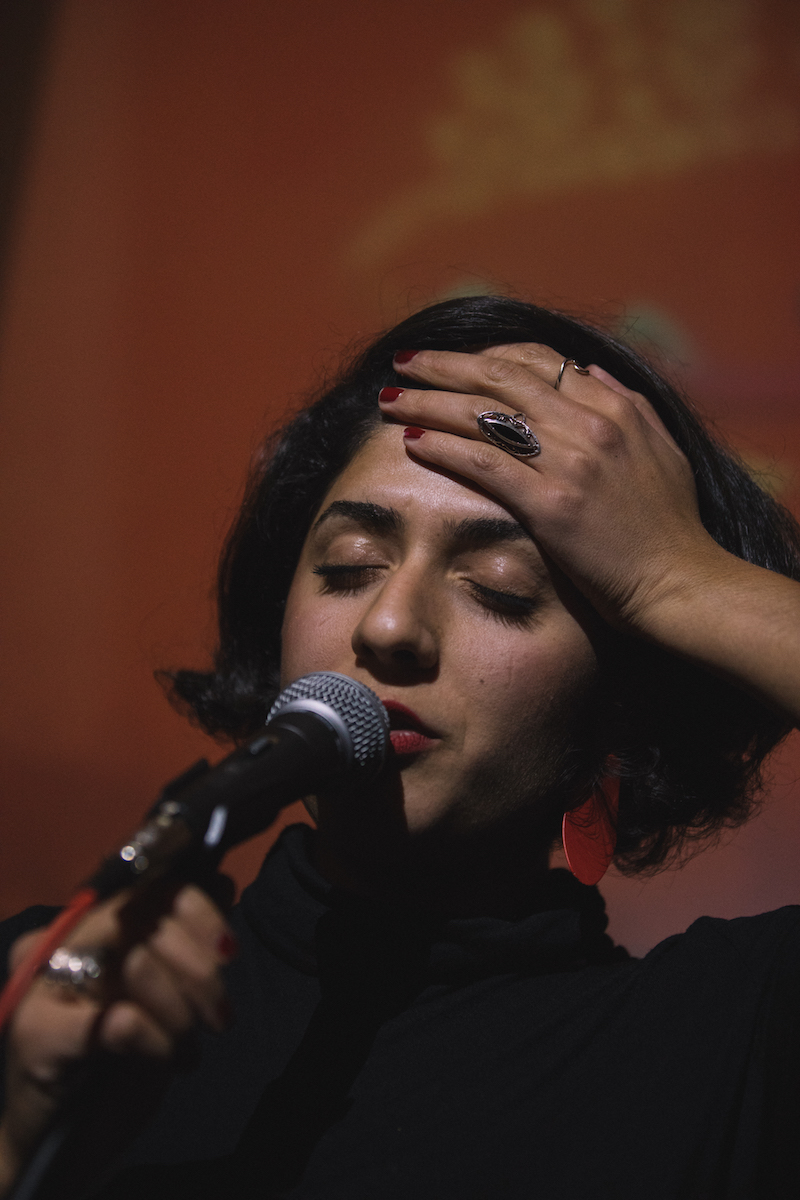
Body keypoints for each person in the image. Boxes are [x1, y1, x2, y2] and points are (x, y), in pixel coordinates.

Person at [2, 295, 800, 1199]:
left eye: (501, 588)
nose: (387, 625)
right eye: (348, 568)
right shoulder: (52, 1008)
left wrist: (675, 575)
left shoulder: (727, 1046)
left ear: (624, 698)